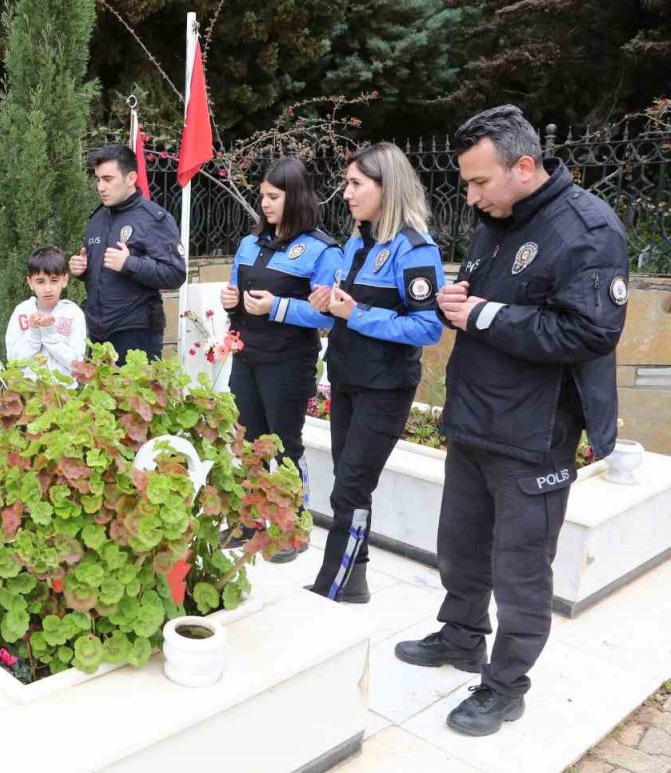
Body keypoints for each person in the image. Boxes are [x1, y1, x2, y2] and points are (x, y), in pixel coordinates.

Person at [395, 105, 627, 736]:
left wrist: (484, 315)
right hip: (475, 419)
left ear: (524, 167)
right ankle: (461, 636)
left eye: (479, 182)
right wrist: (456, 302)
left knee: (520, 569)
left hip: (534, 435)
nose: (470, 196)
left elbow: (591, 331)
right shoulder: (495, 220)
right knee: (460, 547)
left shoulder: (587, 230)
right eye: (467, 182)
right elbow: (482, 300)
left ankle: (505, 686)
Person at [303, 143, 445, 603]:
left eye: (356, 184)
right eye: (347, 183)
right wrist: (330, 303)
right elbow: (347, 306)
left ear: (388, 187)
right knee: (348, 483)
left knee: (351, 487)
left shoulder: (415, 249)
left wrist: (357, 313)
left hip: (384, 387)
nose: (346, 193)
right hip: (347, 379)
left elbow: (428, 327)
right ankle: (354, 578)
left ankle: (335, 584)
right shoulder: (357, 242)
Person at [220, 157, 341, 560]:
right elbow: (236, 291)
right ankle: (248, 520)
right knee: (247, 442)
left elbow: (330, 314)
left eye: (274, 196)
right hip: (247, 355)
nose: (265, 204)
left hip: (289, 361)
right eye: (262, 197)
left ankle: (294, 526)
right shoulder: (250, 243)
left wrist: (278, 307)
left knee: (285, 444)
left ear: (296, 197)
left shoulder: (322, 250)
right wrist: (230, 300)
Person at [68, 144, 186, 364]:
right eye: (97, 180)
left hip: (135, 332)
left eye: (108, 179)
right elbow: (102, 272)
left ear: (131, 178)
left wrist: (129, 263)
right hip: (98, 331)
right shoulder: (98, 218)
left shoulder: (153, 219)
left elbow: (175, 274)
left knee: (136, 388)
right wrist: (83, 268)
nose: (101, 187)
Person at [5, 246, 87, 383]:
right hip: (27, 389)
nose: (48, 289)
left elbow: (77, 363)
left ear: (64, 280)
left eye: (54, 280)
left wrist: (49, 333)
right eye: (40, 281)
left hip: (63, 391)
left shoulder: (73, 314)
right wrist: (34, 332)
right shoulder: (22, 312)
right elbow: (14, 360)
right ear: (30, 283)